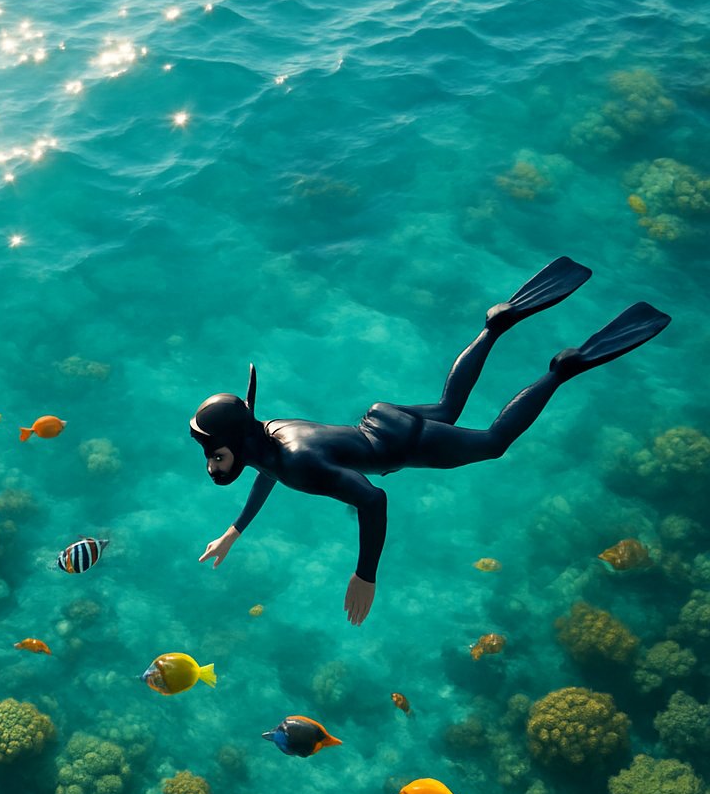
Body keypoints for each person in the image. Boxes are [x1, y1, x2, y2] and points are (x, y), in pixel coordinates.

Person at [190, 257, 671, 626]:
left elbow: (373, 500)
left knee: (493, 441)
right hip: (380, 420)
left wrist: (365, 575)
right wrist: (235, 532)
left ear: (235, 439)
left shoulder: (299, 464)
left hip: (399, 446)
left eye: (214, 453)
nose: (211, 465)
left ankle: (562, 369)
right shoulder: (268, 433)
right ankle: (496, 325)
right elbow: (265, 472)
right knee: (447, 408)